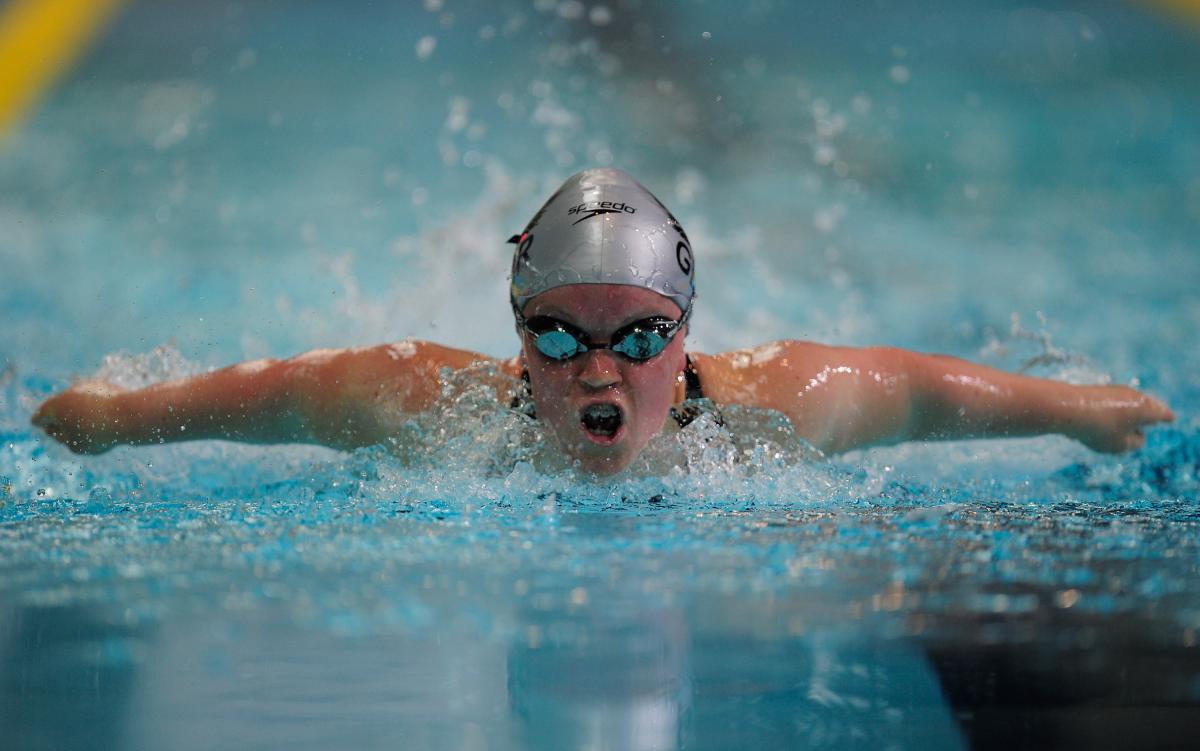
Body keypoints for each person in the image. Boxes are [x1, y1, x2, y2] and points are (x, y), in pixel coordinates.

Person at [32, 168, 1174, 476]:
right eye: (557, 334)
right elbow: (276, 393)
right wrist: (120, 417)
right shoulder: (426, 404)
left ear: (684, 338)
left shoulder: (773, 410)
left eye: (637, 337)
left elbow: (920, 389)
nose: (598, 367)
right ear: (515, 332)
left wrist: (1076, 412)